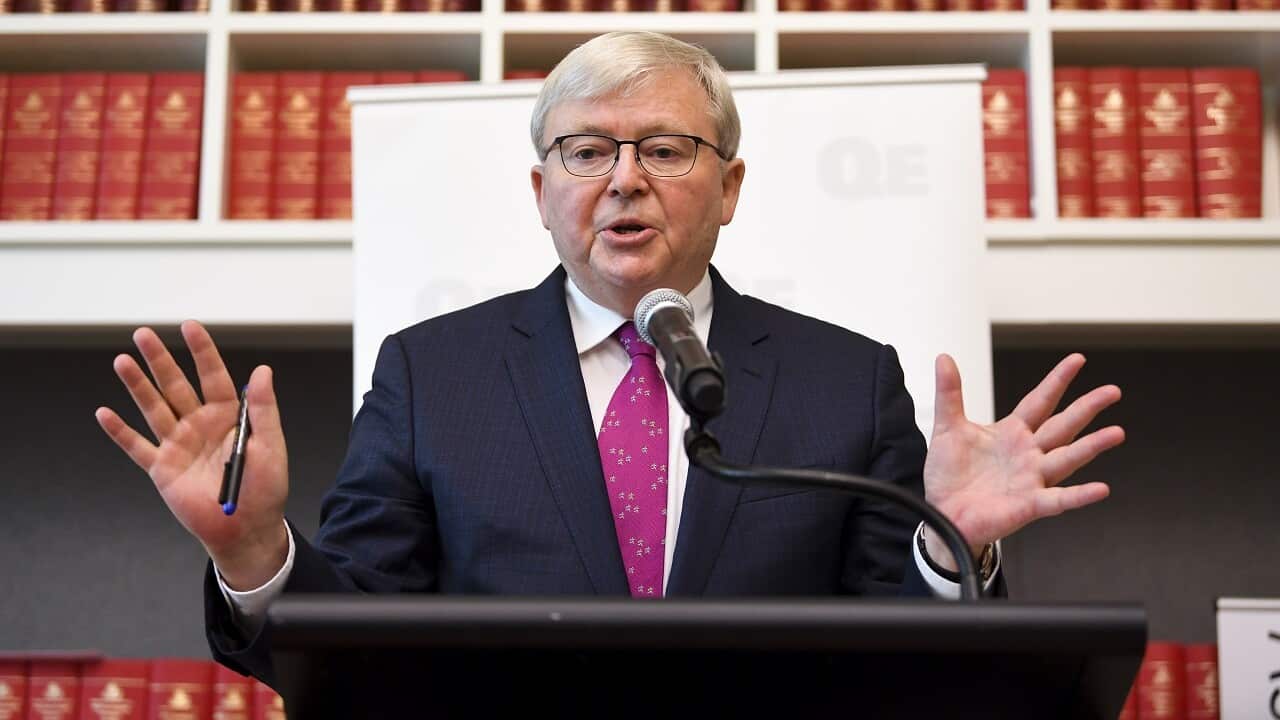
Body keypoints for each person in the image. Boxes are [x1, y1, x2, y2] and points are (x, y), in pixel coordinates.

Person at [94, 32, 1124, 686]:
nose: (622, 180)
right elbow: (356, 655)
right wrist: (252, 548)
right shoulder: (431, 376)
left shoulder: (841, 380)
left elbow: (907, 669)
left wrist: (950, 547)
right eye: (586, 151)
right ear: (540, 191)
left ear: (728, 187)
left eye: (664, 149)